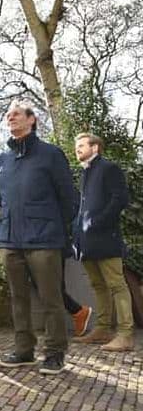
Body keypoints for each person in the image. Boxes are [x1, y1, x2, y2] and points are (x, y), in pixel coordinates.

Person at [0, 100, 76, 375]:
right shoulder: (2, 159)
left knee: (51, 298)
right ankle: (24, 349)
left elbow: (69, 198)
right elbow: (5, 199)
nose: (10, 118)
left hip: (44, 239)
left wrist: (57, 230)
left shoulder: (51, 154)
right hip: (10, 240)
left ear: (32, 119)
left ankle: (54, 353)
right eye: (8, 115)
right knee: (18, 298)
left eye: (16, 114)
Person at [0, 173, 93, 336]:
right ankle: (76, 314)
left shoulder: (54, 182)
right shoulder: (23, 190)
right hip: (33, 240)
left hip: (52, 240)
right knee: (46, 285)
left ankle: (71, 318)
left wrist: (54, 223)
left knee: (51, 286)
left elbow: (72, 204)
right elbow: (6, 204)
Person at [72, 133, 134, 352]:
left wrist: (97, 222)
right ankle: (102, 329)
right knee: (98, 286)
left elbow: (120, 199)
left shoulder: (109, 168)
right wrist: (78, 232)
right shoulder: (85, 173)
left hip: (106, 238)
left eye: (81, 145)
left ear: (95, 147)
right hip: (87, 242)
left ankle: (125, 334)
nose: (77, 149)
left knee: (117, 285)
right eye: (76, 146)